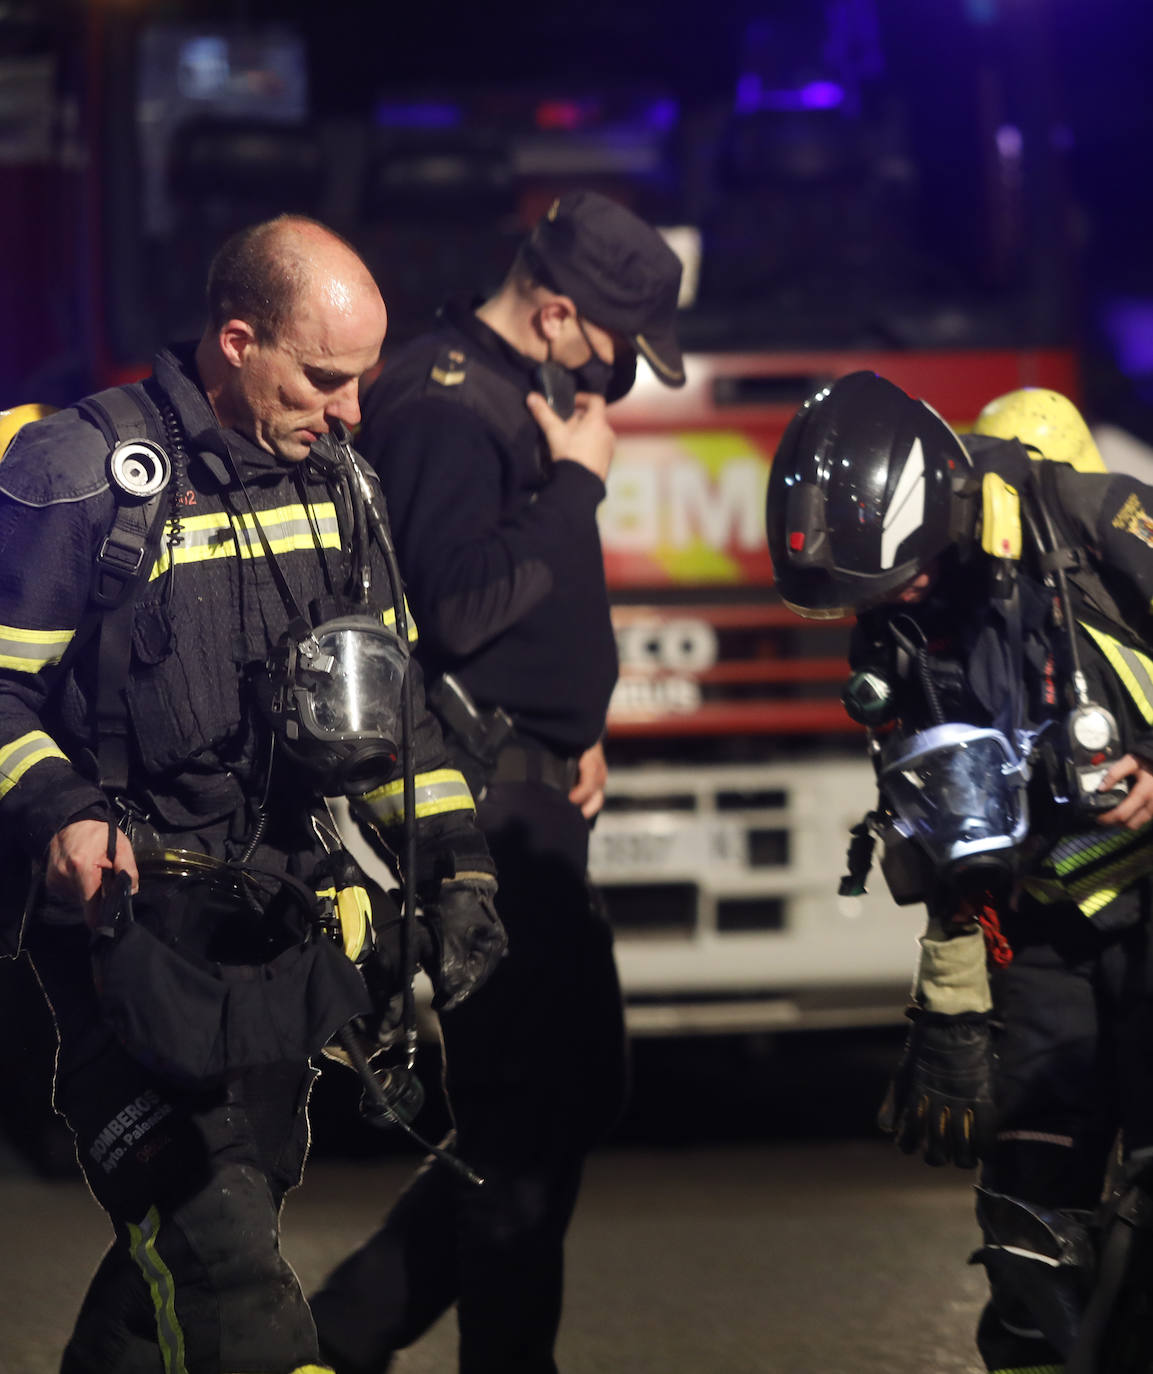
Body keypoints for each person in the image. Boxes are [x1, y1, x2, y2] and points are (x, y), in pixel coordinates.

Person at [0, 214, 505, 1374]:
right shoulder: (79, 478)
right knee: (226, 1268)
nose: (350, 410)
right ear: (238, 342)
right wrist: (62, 812)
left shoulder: (343, 488)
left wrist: (458, 864)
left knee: (184, 1263)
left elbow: (391, 712)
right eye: (324, 378)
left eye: (360, 379)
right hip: (107, 944)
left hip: (268, 935)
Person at [309, 190, 685, 1374]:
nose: (621, 374)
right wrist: (577, 485)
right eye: (617, 346)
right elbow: (458, 607)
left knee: (571, 1095)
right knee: (523, 1119)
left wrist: (570, 726)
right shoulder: (442, 405)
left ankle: (341, 1333)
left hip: (535, 784)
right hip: (480, 806)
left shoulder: (508, 393)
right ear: (559, 312)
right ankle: (379, 1342)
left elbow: (516, 599)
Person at [766, 371, 1153, 1374]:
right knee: (1027, 1229)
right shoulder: (895, 605)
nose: (888, 604)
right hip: (1041, 928)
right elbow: (936, 803)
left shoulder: (1099, 524)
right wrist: (948, 986)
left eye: (893, 582)